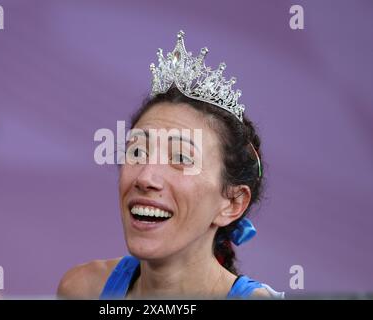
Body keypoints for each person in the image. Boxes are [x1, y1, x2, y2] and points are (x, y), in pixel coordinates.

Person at [58, 31, 284, 299]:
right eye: (138, 152)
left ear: (232, 203)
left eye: (180, 158)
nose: (145, 176)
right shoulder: (83, 290)